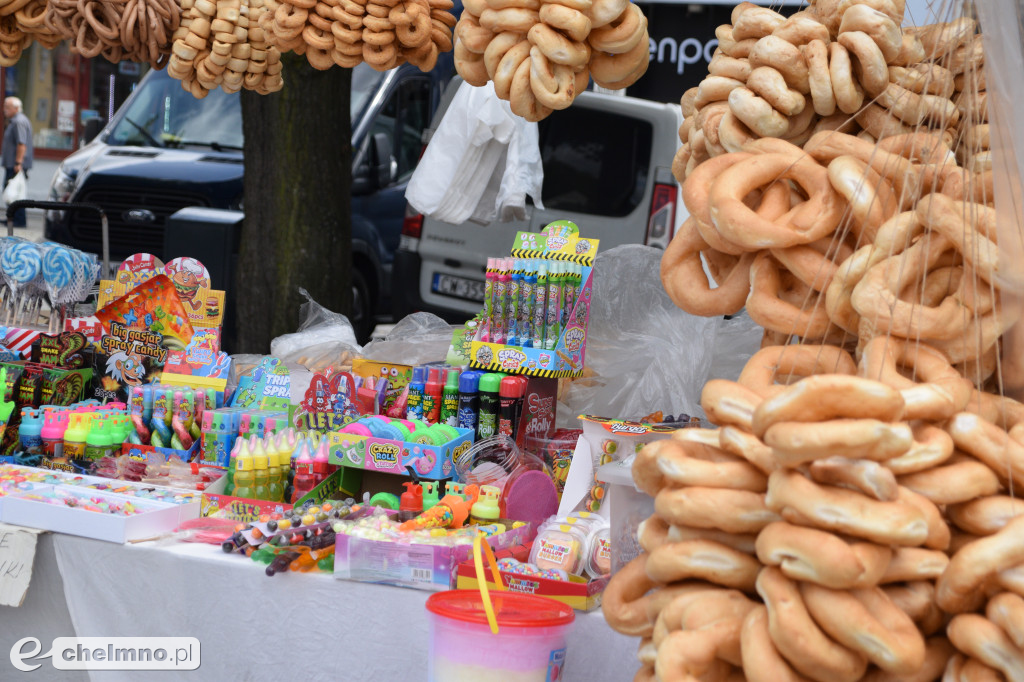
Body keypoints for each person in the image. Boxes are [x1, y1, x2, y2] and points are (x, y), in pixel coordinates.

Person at [2, 97, 32, 227]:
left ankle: (18, 221)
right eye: (4, 106)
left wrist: (18, 163)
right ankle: (11, 219)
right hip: (13, 164)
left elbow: (22, 144)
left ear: (16, 108)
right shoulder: (14, 121)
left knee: (15, 192)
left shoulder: (18, 121)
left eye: (7, 107)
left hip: (16, 165)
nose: (4, 110)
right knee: (11, 191)